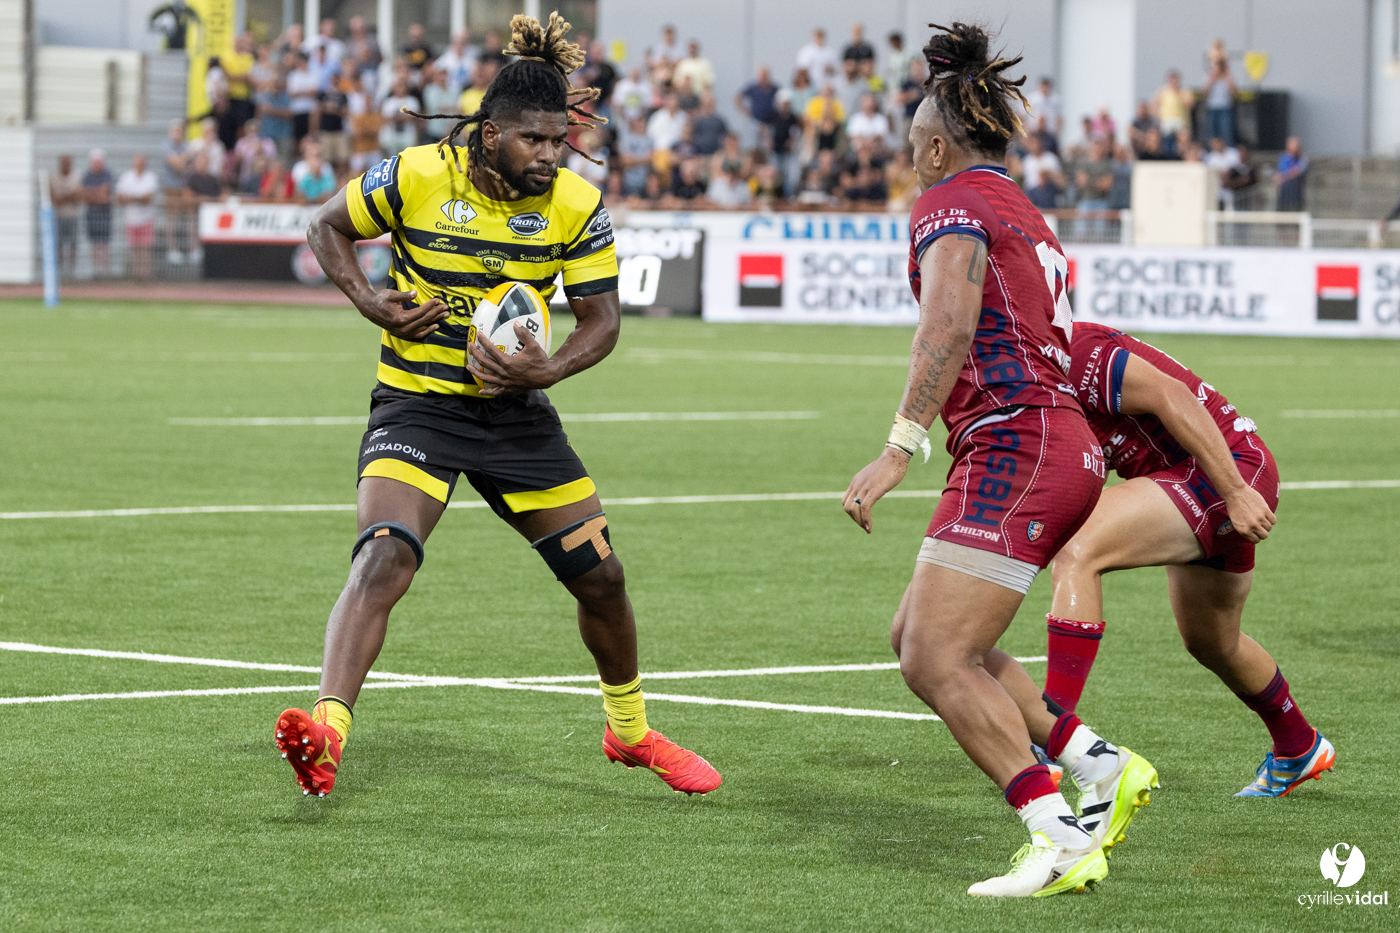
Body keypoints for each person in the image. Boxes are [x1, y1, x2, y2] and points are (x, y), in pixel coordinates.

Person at [284, 12, 721, 801]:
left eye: (560, 140)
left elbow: (604, 321)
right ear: (490, 135)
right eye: (534, 141)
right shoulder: (415, 175)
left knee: (604, 579)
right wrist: (370, 302)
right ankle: (327, 732)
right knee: (385, 554)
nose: (552, 155)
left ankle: (628, 733)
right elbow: (325, 225)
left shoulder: (576, 204)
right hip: (417, 408)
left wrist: (542, 370)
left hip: (517, 417)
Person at [840, 22, 1152, 899]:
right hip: (1040, 438)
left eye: (911, 148)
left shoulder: (947, 203)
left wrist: (901, 442)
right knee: (924, 637)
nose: (908, 162)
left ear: (936, 145)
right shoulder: (1016, 201)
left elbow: (947, 320)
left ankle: (1056, 836)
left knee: (932, 657)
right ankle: (1098, 767)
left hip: (1022, 437)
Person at [1045, 322, 1335, 796]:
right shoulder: (1027, 374)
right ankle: (1298, 746)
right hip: (1186, 480)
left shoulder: (1073, 351)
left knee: (1078, 552)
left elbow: (1172, 394)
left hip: (1226, 473)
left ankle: (1050, 738)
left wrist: (1236, 492)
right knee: (1212, 642)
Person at [115, 153, 159, 280]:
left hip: (146, 218)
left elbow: (148, 198)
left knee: (145, 248)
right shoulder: (127, 176)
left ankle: (145, 275)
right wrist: (138, 198)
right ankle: (136, 275)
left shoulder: (150, 177)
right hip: (131, 218)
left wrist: (131, 198)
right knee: (134, 248)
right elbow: (119, 197)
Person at [82, 149, 113, 277]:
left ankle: (105, 272)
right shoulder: (87, 175)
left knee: (104, 244)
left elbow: (105, 193)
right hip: (92, 215)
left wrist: (92, 194)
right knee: (94, 244)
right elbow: (84, 194)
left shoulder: (107, 174)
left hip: (104, 215)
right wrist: (96, 194)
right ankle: (96, 272)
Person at [50, 154, 83, 275]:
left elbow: (78, 199)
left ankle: (71, 273)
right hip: (58, 217)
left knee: (73, 245)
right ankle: (60, 273)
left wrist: (63, 197)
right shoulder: (54, 177)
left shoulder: (76, 176)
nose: (66, 165)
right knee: (58, 246)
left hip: (72, 217)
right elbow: (54, 200)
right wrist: (70, 195)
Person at [1153, 71, 1194, 158]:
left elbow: (1191, 104)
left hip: (1181, 123)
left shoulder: (1185, 91)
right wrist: (1158, 119)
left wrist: (1178, 93)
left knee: (1182, 145)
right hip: (1166, 122)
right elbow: (1154, 105)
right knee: (1166, 144)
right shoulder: (1163, 91)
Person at [1020, 131, 1063, 208]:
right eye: (1033, 143)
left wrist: (1048, 174)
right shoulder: (1027, 161)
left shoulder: (1050, 158)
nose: (1035, 145)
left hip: (1048, 191)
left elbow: (1061, 181)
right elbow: (1025, 182)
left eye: (1037, 143)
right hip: (1032, 193)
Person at [1203, 50, 1236, 146]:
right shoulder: (1209, 77)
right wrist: (1212, 79)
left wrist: (1228, 79)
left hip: (1225, 108)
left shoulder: (1228, 78)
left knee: (1226, 133)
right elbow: (1205, 93)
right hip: (1212, 108)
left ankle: (1228, 150)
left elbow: (1234, 94)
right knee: (1212, 133)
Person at [689, 91, 728, 156]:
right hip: (698, 154)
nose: (708, 106)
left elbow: (725, 137)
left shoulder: (719, 120)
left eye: (710, 104)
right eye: (705, 104)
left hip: (716, 154)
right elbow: (690, 137)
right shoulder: (695, 120)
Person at [1276, 136, 1307, 211]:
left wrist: (1283, 177)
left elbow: (1296, 172)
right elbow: (1279, 173)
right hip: (1283, 194)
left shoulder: (1303, 159)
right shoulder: (1283, 157)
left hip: (1296, 196)